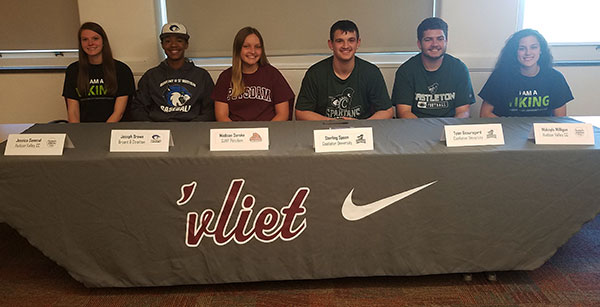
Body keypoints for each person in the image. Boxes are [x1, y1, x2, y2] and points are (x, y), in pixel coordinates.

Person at [295, 20, 393, 120]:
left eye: (351, 40)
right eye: (339, 41)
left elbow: (387, 111)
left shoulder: (371, 72)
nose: (345, 46)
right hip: (325, 131)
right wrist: (332, 122)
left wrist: (360, 125)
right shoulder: (315, 73)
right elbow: (301, 112)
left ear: (358, 43)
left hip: (361, 131)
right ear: (331, 44)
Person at [129, 22, 215, 121]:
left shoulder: (201, 75)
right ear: (162, 45)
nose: (173, 45)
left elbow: (210, 110)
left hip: (192, 129)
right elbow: (138, 108)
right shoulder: (151, 76)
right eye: (168, 41)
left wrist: (194, 127)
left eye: (179, 41)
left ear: (186, 45)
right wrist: (152, 129)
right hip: (158, 131)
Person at [392, 17, 475, 118]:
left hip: (449, 127)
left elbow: (463, 111)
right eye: (428, 40)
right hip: (416, 128)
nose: (435, 44)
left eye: (440, 39)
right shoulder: (406, 71)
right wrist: (424, 132)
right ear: (419, 44)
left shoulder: (459, 69)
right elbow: (404, 112)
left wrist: (449, 131)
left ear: (446, 41)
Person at [479, 29, 573, 117]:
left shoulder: (555, 78)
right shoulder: (499, 77)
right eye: (522, 48)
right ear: (514, 52)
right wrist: (510, 129)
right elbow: (485, 114)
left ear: (541, 50)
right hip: (509, 132)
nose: (528, 52)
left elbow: (560, 119)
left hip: (540, 133)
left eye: (533, 47)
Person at [211, 27, 294, 121]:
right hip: (236, 133)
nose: (253, 51)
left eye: (257, 47)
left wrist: (265, 133)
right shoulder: (226, 77)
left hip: (268, 131)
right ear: (238, 49)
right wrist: (237, 135)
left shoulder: (272, 74)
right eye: (246, 46)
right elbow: (221, 116)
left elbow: (283, 114)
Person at [62, 22, 135, 123]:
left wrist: (102, 133)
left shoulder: (122, 70)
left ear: (103, 41)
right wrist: (77, 133)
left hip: (113, 129)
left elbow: (119, 113)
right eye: (85, 40)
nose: (90, 43)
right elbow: (73, 112)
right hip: (85, 130)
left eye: (95, 38)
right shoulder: (73, 70)